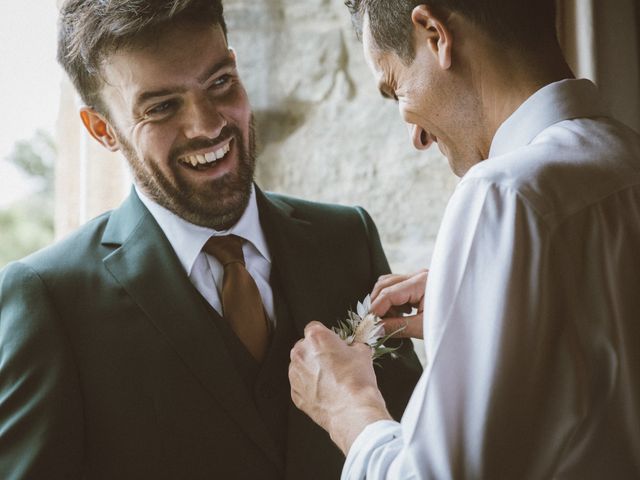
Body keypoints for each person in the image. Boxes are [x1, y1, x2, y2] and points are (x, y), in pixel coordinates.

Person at [0, 1, 423, 478]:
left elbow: (417, 443)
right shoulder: (51, 298)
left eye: (220, 83)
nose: (207, 125)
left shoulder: (347, 239)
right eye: (161, 107)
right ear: (103, 131)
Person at [289, 0, 640, 478]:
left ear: (435, 34)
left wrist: (350, 408)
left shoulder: (501, 194)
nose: (415, 135)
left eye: (395, 89)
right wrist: (492, 304)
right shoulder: (627, 160)